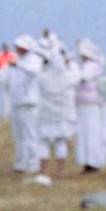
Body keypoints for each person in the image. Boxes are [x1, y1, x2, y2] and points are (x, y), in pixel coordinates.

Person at [35, 40, 77, 181]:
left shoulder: (43, 77)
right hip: (62, 115)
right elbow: (78, 76)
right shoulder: (68, 77)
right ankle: (60, 172)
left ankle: (43, 171)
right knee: (61, 142)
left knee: (43, 143)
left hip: (46, 115)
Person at [5, 35, 44, 173]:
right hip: (17, 102)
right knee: (19, 136)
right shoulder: (17, 60)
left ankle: (33, 163)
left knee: (30, 135)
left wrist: (18, 65)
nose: (18, 49)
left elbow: (34, 72)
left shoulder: (34, 60)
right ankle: (20, 163)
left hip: (29, 103)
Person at [72, 40, 106, 173]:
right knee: (83, 133)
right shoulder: (84, 65)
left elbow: (82, 77)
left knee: (91, 133)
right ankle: (87, 161)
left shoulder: (92, 66)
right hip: (82, 104)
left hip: (91, 105)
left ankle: (94, 162)